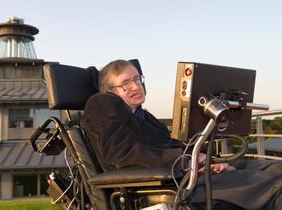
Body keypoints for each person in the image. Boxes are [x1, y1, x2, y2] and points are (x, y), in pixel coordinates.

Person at [80, 59, 282, 209]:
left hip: (186, 173)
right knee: (276, 184)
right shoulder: (102, 103)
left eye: (137, 79)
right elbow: (121, 154)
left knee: (275, 167)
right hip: (164, 185)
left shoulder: (144, 117)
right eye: (125, 83)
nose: (135, 86)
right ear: (109, 90)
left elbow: (170, 145)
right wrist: (188, 161)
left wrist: (207, 161)